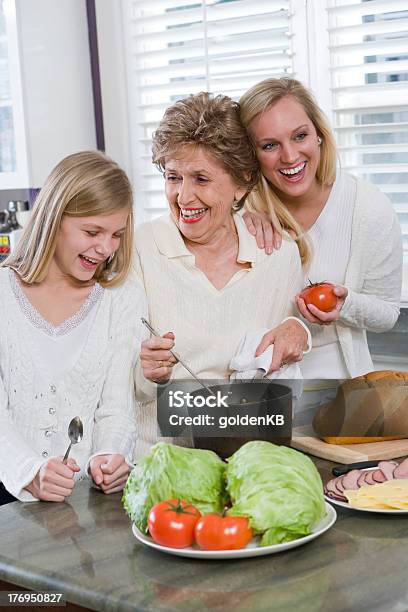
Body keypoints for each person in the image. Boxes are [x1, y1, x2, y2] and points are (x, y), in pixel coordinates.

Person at [133, 92, 311, 459]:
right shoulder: (139, 248)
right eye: (173, 177)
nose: (183, 196)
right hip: (159, 465)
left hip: (251, 460)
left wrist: (300, 332)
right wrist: (143, 370)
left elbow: (285, 379)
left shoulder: (277, 256)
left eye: (201, 179)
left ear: (242, 182)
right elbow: (107, 382)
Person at [0, 151, 146, 505]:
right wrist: (30, 472)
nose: (105, 249)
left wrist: (109, 456)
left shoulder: (121, 297)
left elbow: (116, 406)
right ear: (54, 218)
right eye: (92, 231)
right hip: (7, 496)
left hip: (87, 501)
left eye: (116, 235)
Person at [239, 77, 403, 380]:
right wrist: (241, 214)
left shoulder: (366, 207)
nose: (289, 157)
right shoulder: (244, 212)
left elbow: (389, 312)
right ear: (253, 154)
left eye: (300, 136)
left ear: (319, 135)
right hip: (263, 389)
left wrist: (346, 304)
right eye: (270, 145)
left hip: (342, 391)